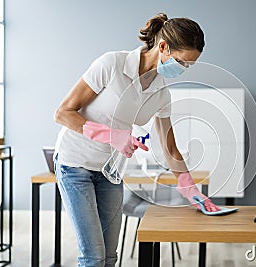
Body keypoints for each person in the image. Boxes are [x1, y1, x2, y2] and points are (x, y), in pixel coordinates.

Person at [53, 12, 221, 266]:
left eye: (189, 65)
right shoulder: (112, 64)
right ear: (163, 46)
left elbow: (170, 147)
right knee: (93, 257)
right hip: (75, 164)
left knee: (110, 257)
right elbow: (63, 113)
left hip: (110, 172)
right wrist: (111, 136)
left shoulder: (161, 91)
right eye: (180, 61)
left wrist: (190, 189)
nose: (183, 69)